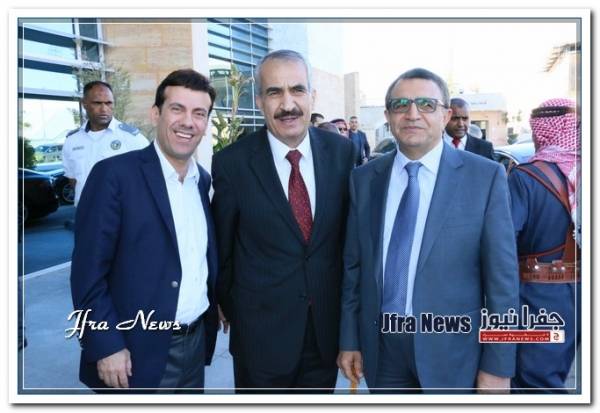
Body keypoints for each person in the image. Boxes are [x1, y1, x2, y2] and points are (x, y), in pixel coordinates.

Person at [338, 68, 519, 393]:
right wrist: (350, 339)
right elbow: (354, 267)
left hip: (454, 353)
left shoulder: (485, 177)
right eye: (401, 104)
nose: (412, 114)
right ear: (387, 116)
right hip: (383, 352)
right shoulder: (364, 180)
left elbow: (502, 282)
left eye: (426, 104)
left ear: (445, 115)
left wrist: (498, 364)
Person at [212, 49, 355, 392]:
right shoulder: (232, 163)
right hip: (259, 339)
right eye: (274, 92)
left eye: (297, 90)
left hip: (324, 336)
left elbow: (349, 242)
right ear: (259, 101)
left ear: (312, 96)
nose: (287, 104)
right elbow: (222, 248)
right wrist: (231, 307)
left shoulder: (342, 153)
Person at [70, 69, 219, 392]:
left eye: (199, 113)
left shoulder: (202, 181)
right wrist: (106, 344)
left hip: (194, 346)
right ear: (156, 114)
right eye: (177, 109)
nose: (188, 122)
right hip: (134, 353)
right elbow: (87, 274)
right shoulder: (114, 176)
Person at [508, 98, 581, 393]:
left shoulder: (525, 177)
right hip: (580, 293)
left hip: (538, 295)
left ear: (540, 130)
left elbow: (505, 241)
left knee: (534, 383)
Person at [62, 81, 149, 206]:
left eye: (108, 103)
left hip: (121, 212)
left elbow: (149, 175)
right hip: (85, 211)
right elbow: (73, 179)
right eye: (97, 103)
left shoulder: (131, 138)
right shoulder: (72, 140)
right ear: (84, 104)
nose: (104, 109)